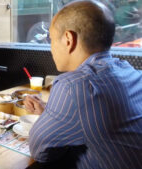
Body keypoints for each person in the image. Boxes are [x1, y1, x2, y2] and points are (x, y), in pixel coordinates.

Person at [24, 0, 142, 168]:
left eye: (51, 39)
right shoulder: (132, 73)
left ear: (68, 39)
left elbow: (39, 151)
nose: (50, 48)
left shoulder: (73, 86)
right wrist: (49, 113)